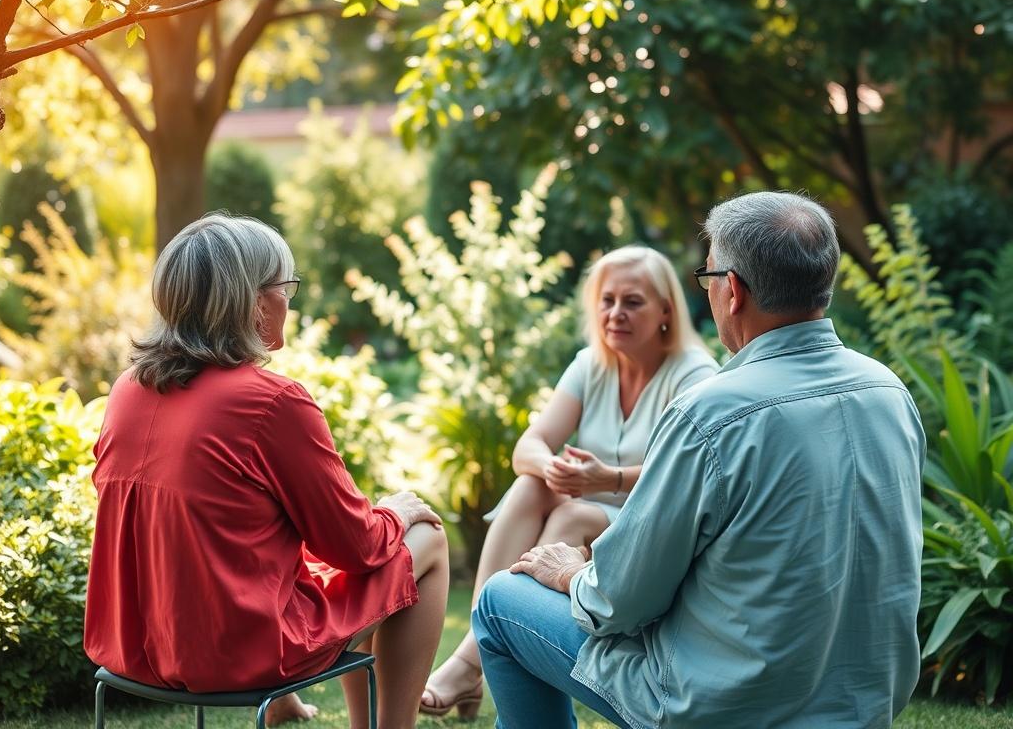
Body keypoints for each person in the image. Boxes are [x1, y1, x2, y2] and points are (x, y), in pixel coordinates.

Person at [472, 192, 925, 728]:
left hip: (718, 708)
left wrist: (573, 574)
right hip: (860, 707)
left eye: (707, 279)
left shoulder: (709, 412)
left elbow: (617, 603)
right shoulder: (889, 392)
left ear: (731, 290)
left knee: (502, 599)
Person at [83, 213, 448, 729]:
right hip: (237, 654)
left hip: (134, 647)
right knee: (426, 539)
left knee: (303, 553)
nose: (289, 301)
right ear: (252, 302)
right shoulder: (272, 402)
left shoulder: (127, 390)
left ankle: (283, 706)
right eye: (286, 287)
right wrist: (393, 511)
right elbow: (356, 547)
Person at [420, 246, 718, 718]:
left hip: (651, 527)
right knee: (530, 487)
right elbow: (529, 446)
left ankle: (467, 664)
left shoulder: (695, 374)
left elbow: (691, 473)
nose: (615, 313)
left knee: (573, 511)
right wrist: (553, 467)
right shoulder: (591, 364)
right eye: (607, 300)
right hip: (590, 508)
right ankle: (477, 657)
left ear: (666, 309)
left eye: (632, 302)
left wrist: (610, 478)